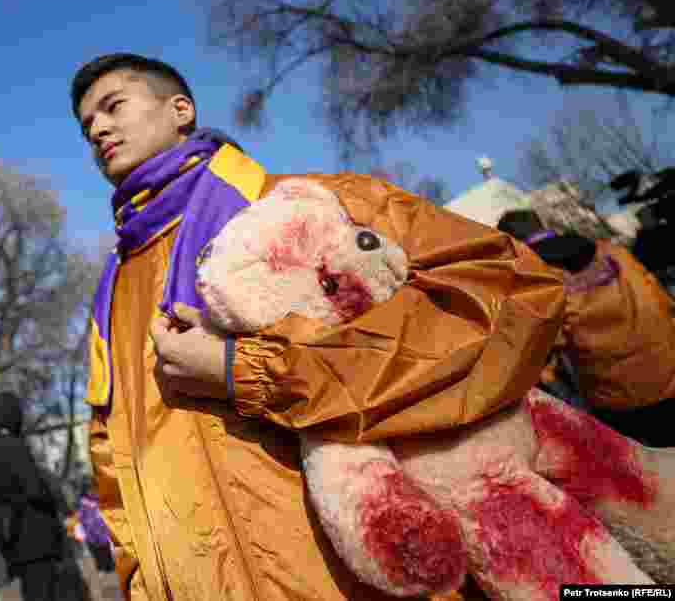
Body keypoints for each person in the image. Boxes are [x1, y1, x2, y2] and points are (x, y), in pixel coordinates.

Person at [71, 53, 574, 601]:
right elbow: (115, 478)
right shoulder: (112, 296)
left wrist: (249, 370)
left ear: (181, 109)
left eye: (113, 106)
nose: (97, 129)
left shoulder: (314, 203)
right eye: (85, 125)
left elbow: (512, 298)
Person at [497, 209, 675, 447]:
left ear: (514, 244)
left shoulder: (535, 282)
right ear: (543, 225)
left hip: (620, 400)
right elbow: (663, 301)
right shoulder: (612, 252)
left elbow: (541, 349)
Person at [0, 392, 89, 601]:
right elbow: (34, 488)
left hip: (9, 538)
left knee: (30, 592)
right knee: (44, 591)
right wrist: (54, 497)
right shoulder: (13, 447)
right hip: (35, 537)